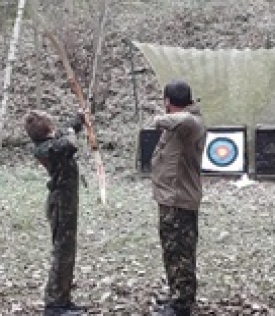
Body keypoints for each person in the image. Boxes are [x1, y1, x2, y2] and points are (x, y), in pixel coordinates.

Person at [151, 79, 206, 316]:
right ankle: (178, 294)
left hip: (179, 199)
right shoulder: (180, 125)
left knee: (180, 253)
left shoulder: (190, 122)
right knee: (172, 251)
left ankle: (182, 305)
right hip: (171, 199)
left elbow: (183, 119)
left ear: (167, 102)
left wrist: (157, 119)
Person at [24, 110, 85, 316]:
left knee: (67, 251)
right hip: (60, 203)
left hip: (65, 202)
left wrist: (78, 119)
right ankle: (55, 304)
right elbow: (69, 142)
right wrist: (69, 129)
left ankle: (63, 298)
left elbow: (66, 132)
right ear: (47, 129)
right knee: (62, 252)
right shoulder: (47, 148)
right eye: (51, 123)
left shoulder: (51, 143)